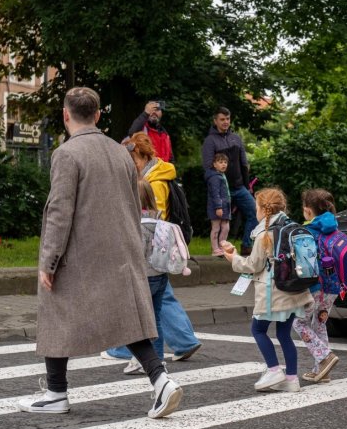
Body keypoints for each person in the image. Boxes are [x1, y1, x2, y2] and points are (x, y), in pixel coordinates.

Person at [17, 87, 182, 419]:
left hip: (80, 252)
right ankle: (161, 380)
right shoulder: (121, 151)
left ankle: (55, 392)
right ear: (97, 115)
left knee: (54, 311)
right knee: (127, 319)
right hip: (123, 248)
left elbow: (60, 212)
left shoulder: (66, 153)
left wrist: (49, 261)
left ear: (66, 115)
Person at [104, 133, 202, 369]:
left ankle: (123, 349)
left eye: (132, 160)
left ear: (141, 155)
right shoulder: (156, 174)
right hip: (157, 257)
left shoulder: (154, 181)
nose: (130, 165)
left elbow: (149, 219)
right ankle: (178, 344)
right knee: (160, 303)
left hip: (151, 255)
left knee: (138, 307)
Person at [222, 188, 311, 392]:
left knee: (258, 329)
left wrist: (232, 257)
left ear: (263, 209)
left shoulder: (264, 233)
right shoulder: (291, 226)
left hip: (273, 292)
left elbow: (253, 265)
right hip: (294, 290)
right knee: (284, 334)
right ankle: (291, 379)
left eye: (256, 207)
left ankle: (273, 369)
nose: (255, 211)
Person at [293, 189, 341, 383]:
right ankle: (322, 370)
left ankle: (324, 356)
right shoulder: (335, 228)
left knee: (299, 323)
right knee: (319, 324)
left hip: (314, 286)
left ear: (307, 211)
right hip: (333, 286)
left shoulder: (307, 231)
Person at [201, 107, 258, 256]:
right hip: (220, 189)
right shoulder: (210, 141)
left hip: (239, 188)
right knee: (220, 223)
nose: (225, 122)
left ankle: (247, 245)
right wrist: (216, 186)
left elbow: (244, 164)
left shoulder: (236, 138)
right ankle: (218, 249)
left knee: (256, 213)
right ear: (215, 121)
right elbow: (208, 168)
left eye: (227, 119)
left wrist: (247, 186)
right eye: (222, 119)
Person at [136, 180, 169, 359]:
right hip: (160, 274)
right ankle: (158, 358)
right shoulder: (158, 219)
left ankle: (146, 360)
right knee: (155, 320)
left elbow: (138, 253)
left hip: (144, 277)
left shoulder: (139, 224)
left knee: (139, 322)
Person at [206, 153, 231, 257]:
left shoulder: (222, 175)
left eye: (225, 162)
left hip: (225, 206)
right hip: (216, 207)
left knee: (225, 227)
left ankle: (222, 247)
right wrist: (218, 207)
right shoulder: (214, 177)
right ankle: (215, 249)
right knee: (216, 228)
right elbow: (215, 194)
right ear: (214, 164)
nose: (223, 164)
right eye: (220, 162)